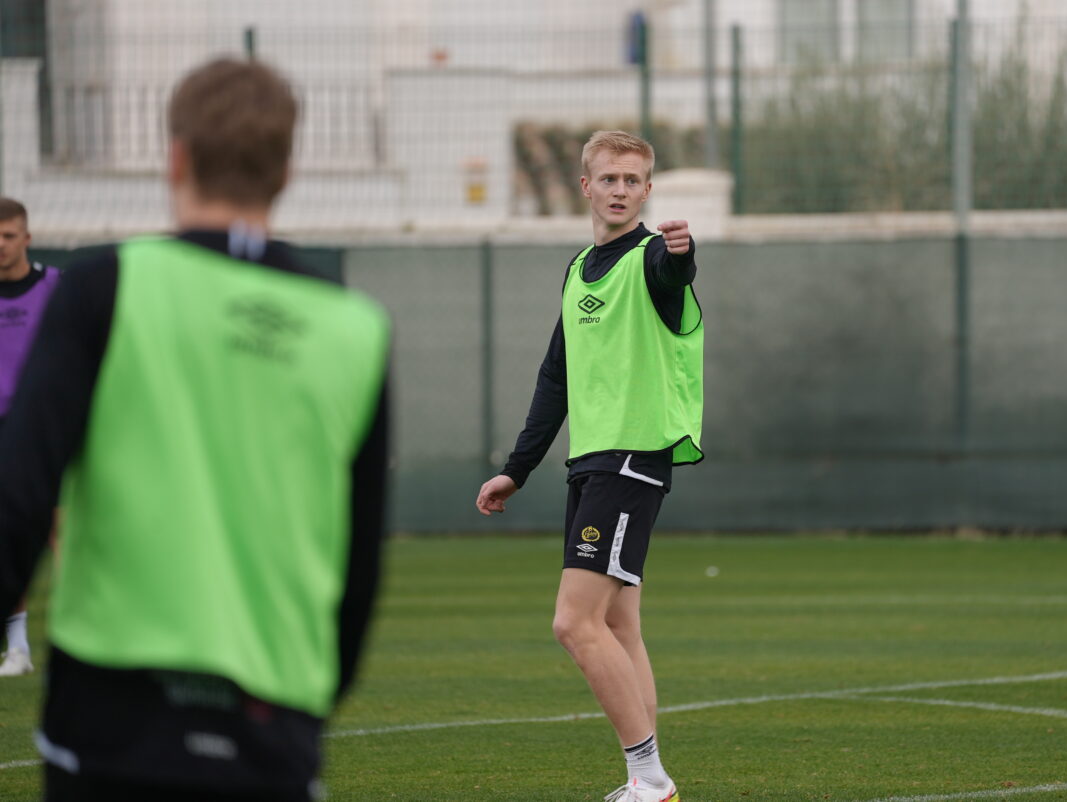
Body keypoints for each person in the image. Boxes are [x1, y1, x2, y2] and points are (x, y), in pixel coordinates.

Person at [0, 57, 391, 801]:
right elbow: (360, 558)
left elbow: (17, 500)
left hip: (108, 709)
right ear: (287, 171)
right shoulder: (356, 327)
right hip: (274, 712)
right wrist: (311, 695)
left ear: (175, 158)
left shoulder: (103, 288)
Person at [476, 130, 703, 802]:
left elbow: (672, 273)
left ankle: (651, 778)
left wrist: (682, 254)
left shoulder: (652, 257)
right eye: (609, 179)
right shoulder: (579, 270)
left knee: (574, 623)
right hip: (592, 462)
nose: (620, 190)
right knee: (618, 627)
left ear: (648, 190)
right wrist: (517, 469)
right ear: (586, 187)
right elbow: (557, 376)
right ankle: (643, 779)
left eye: (633, 180)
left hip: (631, 459)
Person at [0, 197, 60, 678]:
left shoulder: (57, 286)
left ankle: (96, 642)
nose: (0, 246)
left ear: (27, 238)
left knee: (64, 530)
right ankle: (18, 649)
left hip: (44, 425)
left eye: (8, 236)